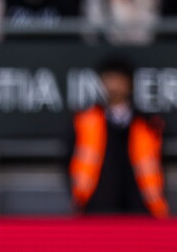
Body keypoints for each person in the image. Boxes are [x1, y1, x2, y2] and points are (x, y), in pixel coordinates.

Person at [67, 57, 169, 218]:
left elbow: (158, 163)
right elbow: (69, 160)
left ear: (130, 84)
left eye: (119, 80)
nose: (114, 86)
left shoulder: (148, 123)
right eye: (109, 79)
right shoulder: (85, 120)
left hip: (141, 207)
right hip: (97, 205)